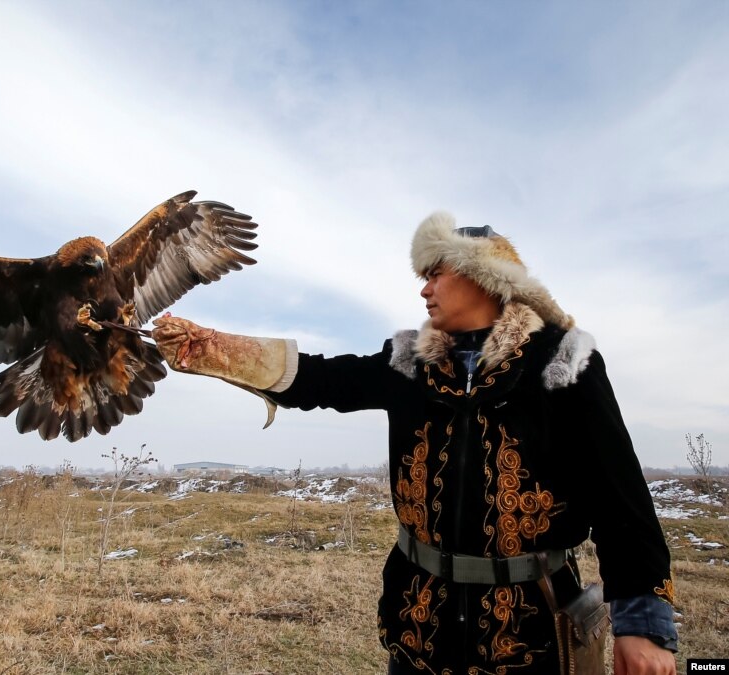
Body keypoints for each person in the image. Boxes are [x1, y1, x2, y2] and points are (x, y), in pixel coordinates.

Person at [151, 213, 677, 675]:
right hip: (421, 625)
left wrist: (644, 625)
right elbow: (321, 381)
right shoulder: (408, 362)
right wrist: (214, 348)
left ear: (481, 274)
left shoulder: (562, 361)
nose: (423, 290)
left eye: (434, 274)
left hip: (530, 632)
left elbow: (620, 496)